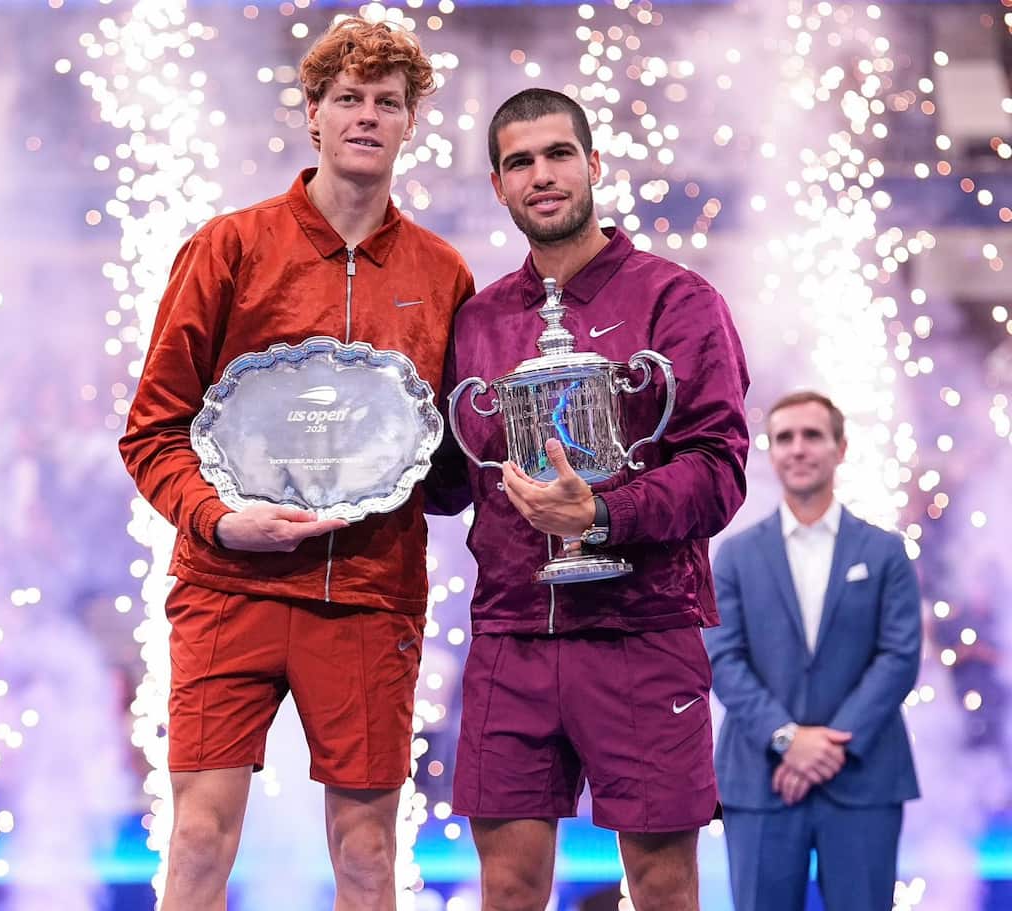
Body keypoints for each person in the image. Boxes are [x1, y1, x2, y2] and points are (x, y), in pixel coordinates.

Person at [119, 18, 474, 911]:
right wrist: (220, 519)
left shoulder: (442, 272)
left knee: (368, 853)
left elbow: (445, 464)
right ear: (313, 114)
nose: (367, 116)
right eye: (348, 98)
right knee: (198, 841)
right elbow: (152, 430)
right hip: (228, 582)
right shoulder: (229, 246)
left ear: (411, 122)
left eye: (387, 101)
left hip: (370, 591)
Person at [428, 88, 750, 911]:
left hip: (642, 629)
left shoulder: (677, 300)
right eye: (520, 162)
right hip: (511, 633)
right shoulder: (477, 319)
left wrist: (603, 516)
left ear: (594, 164)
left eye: (558, 154)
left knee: (664, 890)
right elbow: (449, 478)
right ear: (498, 186)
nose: (541, 175)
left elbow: (719, 469)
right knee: (506, 891)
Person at [706, 391, 921, 911]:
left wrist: (827, 747)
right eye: (785, 438)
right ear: (771, 451)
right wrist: (787, 739)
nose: (798, 448)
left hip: (865, 777)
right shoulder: (733, 555)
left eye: (812, 435)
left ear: (840, 448)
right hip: (759, 779)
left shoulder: (886, 552)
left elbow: (899, 657)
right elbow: (723, 660)